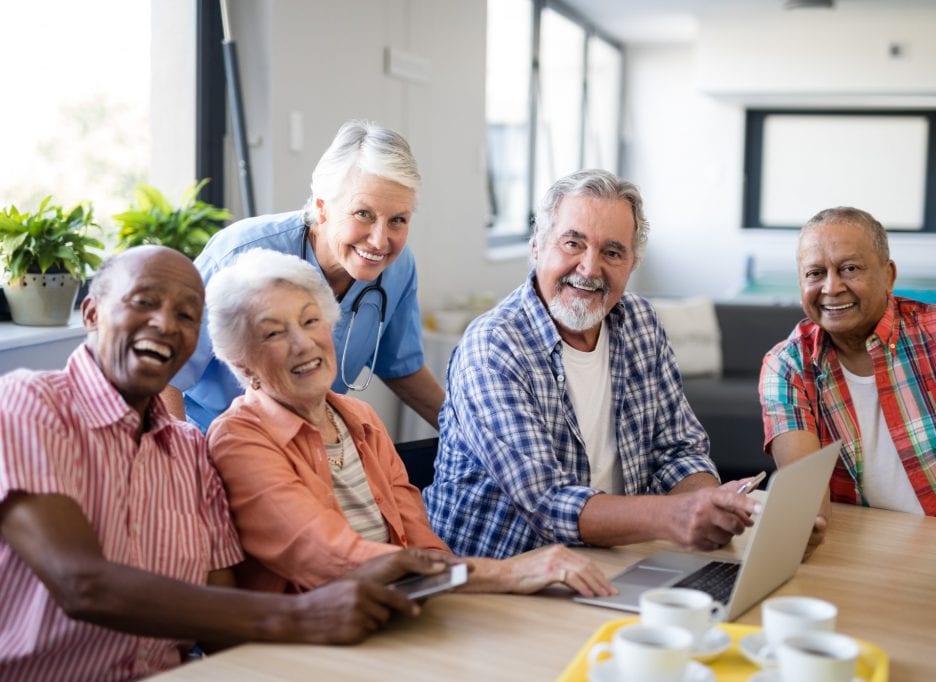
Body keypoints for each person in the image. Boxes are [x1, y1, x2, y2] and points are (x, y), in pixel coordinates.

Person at [0, 246, 458, 680]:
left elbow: (222, 614)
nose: (165, 323)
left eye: (186, 315)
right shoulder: (31, 404)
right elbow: (83, 585)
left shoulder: (187, 451)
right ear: (92, 314)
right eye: (144, 302)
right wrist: (301, 615)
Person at [203, 248, 614, 597]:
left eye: (311, 321)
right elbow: (330, 557)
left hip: (398, 610)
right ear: (243, 366)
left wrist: (457, 580)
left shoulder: (358, 418)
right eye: (274, 334)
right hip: (312, 639)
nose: (303, 343)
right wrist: (504, 572)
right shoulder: (240, 439)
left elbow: (421, 540)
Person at [423, 169, 761, 559]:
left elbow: (679, 450)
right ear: (537, 245)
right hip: (500, 576)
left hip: (613, 559)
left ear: (632, 262)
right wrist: (674, 514)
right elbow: (547, 502)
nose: (589, 268)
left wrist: (712, 506)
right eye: (572, 244)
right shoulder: (493, 348)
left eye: (612, 252)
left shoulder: (641, 323)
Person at [759, 206, 936, 547]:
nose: (831, 287)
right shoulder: (787, 367)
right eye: (814, 273)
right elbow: (805, 502)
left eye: (849, 268)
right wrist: (791, 522)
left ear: (888, 275)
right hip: (866, 557)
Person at [163, 119, 444, 433]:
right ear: (323, 208)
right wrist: (185, 465)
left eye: (398, 220)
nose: (380, 240)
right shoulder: (238, 254)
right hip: (214, 441)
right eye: (363, 214)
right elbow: (165, 376)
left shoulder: (398, 268)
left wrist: (465, 431)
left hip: (309, 445)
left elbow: (401, 367)